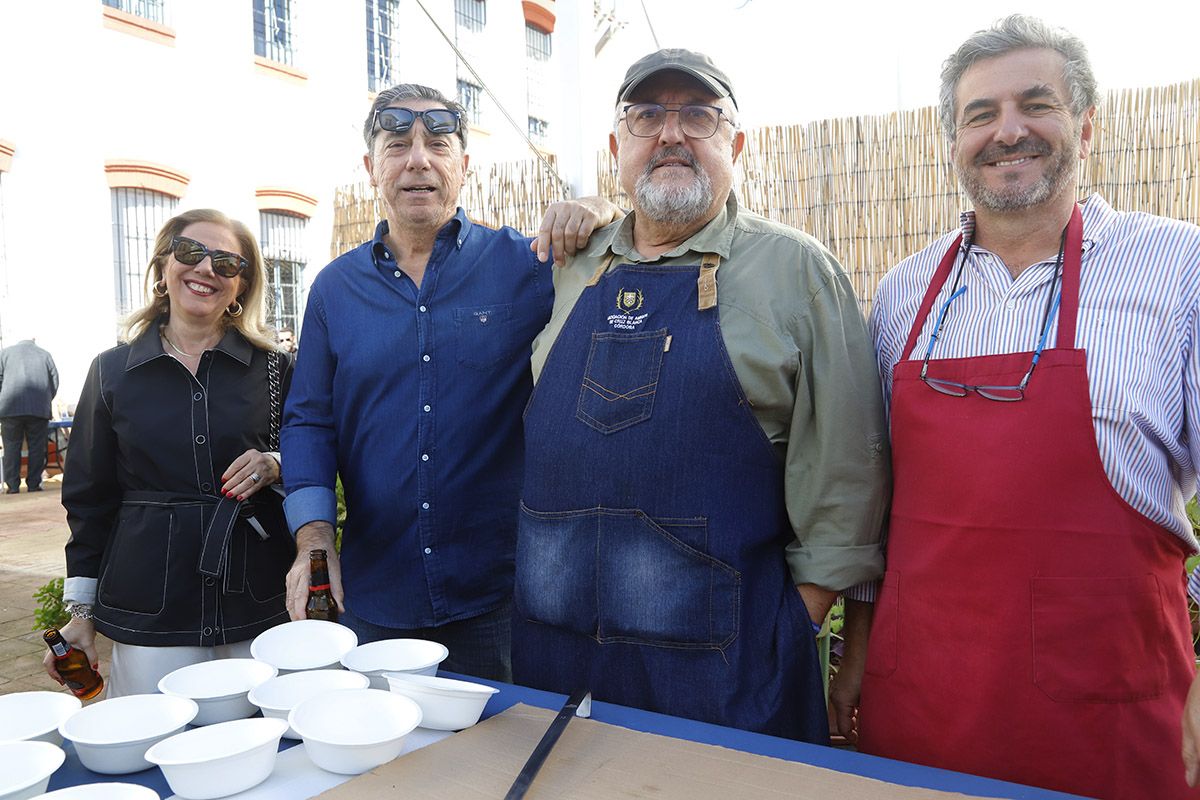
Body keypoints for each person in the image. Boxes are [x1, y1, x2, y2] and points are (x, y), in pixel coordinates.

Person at [855, 15, 1200, 799]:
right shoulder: (906, 291)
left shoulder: (1179, 266)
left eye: (1034, 104)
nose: (1008, 132)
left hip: (1110, 718)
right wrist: (856, 651)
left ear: (1084, 124)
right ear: (953, 143)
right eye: (981, 114)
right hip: (921, 715)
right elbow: (872, 500)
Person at [511, 49, 888, 742]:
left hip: (727, 678)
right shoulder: (565, 263)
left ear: (735, 144)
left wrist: (795, 622)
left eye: (699, 115)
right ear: (616, 145)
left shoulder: (795, 270)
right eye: (647, 115)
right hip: (554, 668)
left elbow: (846, 474)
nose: (671, 134)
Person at [280, 83, 619, 681]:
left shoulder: (528, 265)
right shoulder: (334, 289)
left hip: (501, 595)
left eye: (438, 144)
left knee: (503, 764)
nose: (418, 160)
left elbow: (629, 269)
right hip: (376, 591)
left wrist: (601, 213)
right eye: (397, 145)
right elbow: (310, 419)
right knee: (387, 764)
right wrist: (314, 535)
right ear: (371, 167)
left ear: (464, 166)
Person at [47, 208, 294, 698]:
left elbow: (314, 450)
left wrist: (276, 462)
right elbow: (89, 499)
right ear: (163, 268)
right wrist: (81, 616)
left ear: (241, 285)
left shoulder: (273, 368)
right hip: (151, 601)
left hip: (254, 591)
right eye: (190, 253)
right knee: (153, 738)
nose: (206, 269)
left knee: (261, 734)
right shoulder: (112, 372)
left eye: (227, 263)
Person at [0, 338, 58, 493]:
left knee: (11, 447)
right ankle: (33, 484)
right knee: (37, 448)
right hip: (38, 410)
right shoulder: (44, 355)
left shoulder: (5, 354)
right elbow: (54, 381)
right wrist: (45, 399)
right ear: (33, 340)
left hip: (9, 409)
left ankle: (12, 486)